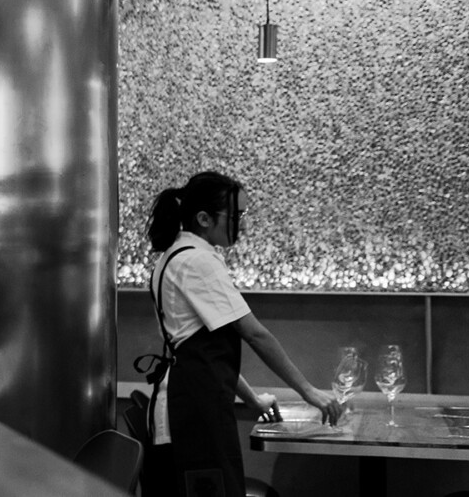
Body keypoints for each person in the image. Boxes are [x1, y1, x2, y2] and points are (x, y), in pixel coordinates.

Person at [137, 171, 341, 497]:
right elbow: (255, 335)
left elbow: (205, 351)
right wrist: (309, 391)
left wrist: (252, 399)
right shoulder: (197, 261)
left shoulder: (177, 256)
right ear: (204, 218)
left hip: (191, 403)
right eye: (235, 216)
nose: (243, 225)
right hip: (193, 413)